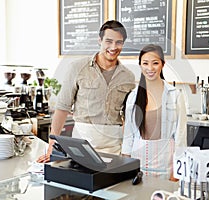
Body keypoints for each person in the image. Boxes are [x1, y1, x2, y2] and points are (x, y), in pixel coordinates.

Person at [37, 20, 135, 163]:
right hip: (82, 144)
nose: (113, 47)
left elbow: (128, 118)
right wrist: (52, 144)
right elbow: (63, 107)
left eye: (118, 42)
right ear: (99, 40)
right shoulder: (77, 67)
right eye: (109, 41)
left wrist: (128, 151)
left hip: (114, 147)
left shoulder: (128, 77)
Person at [121, 44, 187, 180]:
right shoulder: (133, 97)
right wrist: (125, 166)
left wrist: (177, 172)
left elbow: (180, 136)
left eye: (155, 63)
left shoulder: (175, 95)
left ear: (163, 64)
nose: (150, 68)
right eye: (145, 63)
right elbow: (128, 135)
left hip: (166, 164)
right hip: (137, 163)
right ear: (140, 65)